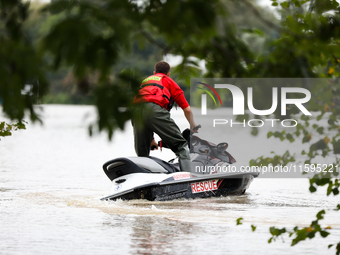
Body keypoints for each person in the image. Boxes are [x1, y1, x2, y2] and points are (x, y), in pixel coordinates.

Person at [132, 61, 199, 172]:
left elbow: (145, 109)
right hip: (155, 110)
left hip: (136, 112)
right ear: (168, 73)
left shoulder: (145, 81)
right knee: (182, 146)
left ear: (154, 72)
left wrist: (151, 140)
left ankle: (143, 180)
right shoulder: (168, 81)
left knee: (143, 154)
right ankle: (188, 179)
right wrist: (193, 126)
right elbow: (187, 109)